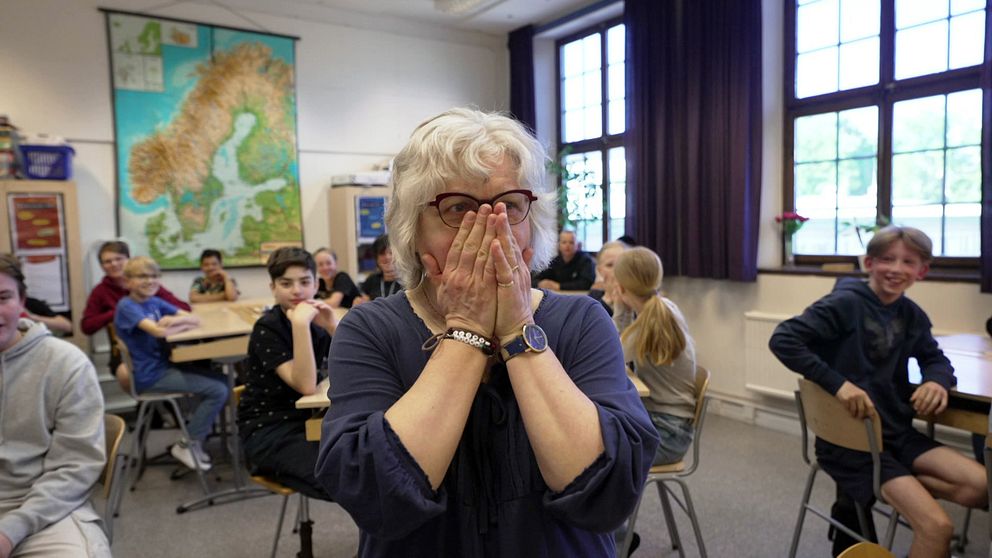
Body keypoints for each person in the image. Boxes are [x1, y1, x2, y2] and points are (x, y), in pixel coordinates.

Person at [315, 108, 658, 557]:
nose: (489, 231)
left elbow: (607, 497)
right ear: (412, 231)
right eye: (458, 208)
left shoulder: (582, 321)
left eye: (509, 206)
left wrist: (518, 329)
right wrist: (469, 330)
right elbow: (379, 499)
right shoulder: (370, 329)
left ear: (531, 224)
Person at [769, 226, 987, 558]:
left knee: (983, 487)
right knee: (938, 528)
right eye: (887, 259)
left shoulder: (911, 315)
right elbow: (783, 339)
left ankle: (899, 486)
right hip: (851, 444)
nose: (896, 269)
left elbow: (935, 358)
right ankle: (892, 488)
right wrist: (839, 385)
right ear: (869, 263)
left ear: (921, 271)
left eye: (908, 262)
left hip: (896, 434)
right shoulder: (844, 303)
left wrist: (936, 381)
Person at [0, 254, 110, 558]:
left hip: (45, 507)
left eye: (3, 297)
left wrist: (10, 531)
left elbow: (75, 466)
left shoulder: (64, 363)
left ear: (22, 300)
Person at [114, 256, 229, 472]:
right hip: (149, 377)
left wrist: (174, 321)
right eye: (142, 277)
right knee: (218, 389)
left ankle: (194, 436)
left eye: (154, 276)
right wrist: (168, 325)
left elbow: (194, 318)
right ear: (128, 281)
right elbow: (158, 331)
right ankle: (187, 444)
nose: (149, 281)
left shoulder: (155, 301)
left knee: (224, 380)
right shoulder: (127, 306)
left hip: (164, 367)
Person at [238, 247, 336, 498]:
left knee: (372, 462)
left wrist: (332, 326)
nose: (296, 290)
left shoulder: (317, 319)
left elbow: (356, 364)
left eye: (304, 282)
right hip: (271, 429)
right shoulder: (267, 328)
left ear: (316, 283)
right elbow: (305, 385)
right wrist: (300, 325)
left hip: (315, 420)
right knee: (343, 477)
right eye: (286, 283)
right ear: (273, 288)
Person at [612, 247, 697, 465]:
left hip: (666, 433)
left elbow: (609, 356)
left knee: (597, 454)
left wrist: (620, 309)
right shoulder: (666, 308)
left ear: (621, 287)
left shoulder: (647, 324)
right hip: (673, 426)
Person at [81, 240, 190, 387]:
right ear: (102, 266)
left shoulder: (148, 284)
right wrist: (121, 312)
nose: (113, 264)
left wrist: (169, 317)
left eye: (118, 259)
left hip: (157, 346)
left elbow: (183, 307)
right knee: (128, 373)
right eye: (107, 261)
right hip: (127, 352)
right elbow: (87, 326)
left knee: (194, 359)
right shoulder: (100, 292)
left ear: (128, 260)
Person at [531, 230, 596, 291]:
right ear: (559, 245)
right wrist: (540, 283)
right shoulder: (555, 261)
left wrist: (559, 286)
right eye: (564, 242)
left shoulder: (586, 260)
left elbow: (586, 284)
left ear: (577, 246)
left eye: (571, 242)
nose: (567, 246)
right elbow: (535, 280)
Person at [587, 240, 629, 317]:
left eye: (621, 264)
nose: (616, 270)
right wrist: (606, 301)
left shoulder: (638, 297)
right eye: (610, 265)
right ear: (600, 270)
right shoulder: (593, 298)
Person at [358, 234, 403, 302]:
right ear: (376, 258)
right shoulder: (371, 280)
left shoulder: (408, 281)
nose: (387, 257)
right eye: (382, 253)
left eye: (391, 252)